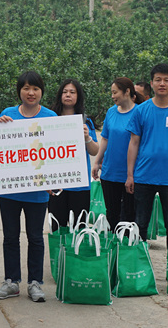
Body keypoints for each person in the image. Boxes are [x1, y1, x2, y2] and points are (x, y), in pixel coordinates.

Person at [0, 71, 56, 303]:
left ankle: (35, 283)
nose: (31, 93)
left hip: (37, 192)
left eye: (36, 88)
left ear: (41, 92)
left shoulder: (51, 117)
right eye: (26, 88)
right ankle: (11, 281)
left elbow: (55, 151)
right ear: (19, 90)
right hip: (10, 190)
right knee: (10, 237)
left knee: (35, 237)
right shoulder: (8, 114)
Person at [126, 63, 168, 243]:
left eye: (166, 80)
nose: (162, 83)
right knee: (140, 224)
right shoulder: (141, 111)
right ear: (152, 83)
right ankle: (139, 265)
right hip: (143, 176)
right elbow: (133, 143)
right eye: (158, 80)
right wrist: (130, 175)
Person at [48, 78, 99, 230]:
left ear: (78, 96)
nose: (68, 95)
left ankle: (76, 254)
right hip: (56, 183)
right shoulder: (50, 119)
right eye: (64, 92)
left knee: (79, 227)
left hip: (79, 184)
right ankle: (58, 255)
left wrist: (87, 137)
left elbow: (94, 150)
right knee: (57, 226)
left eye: (72, 92)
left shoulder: (86, 121)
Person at [92, 77, 143, 229]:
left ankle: (127, 249)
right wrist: (96, 162)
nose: (113, 96)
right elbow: (105, 139)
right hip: (110, 171)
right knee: (112, 213)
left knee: (129, 215)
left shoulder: (139, 112)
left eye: (115, 92)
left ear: (127, 91)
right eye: (112, 93)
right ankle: (113, 248)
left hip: (131, 173)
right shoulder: (111, 112)